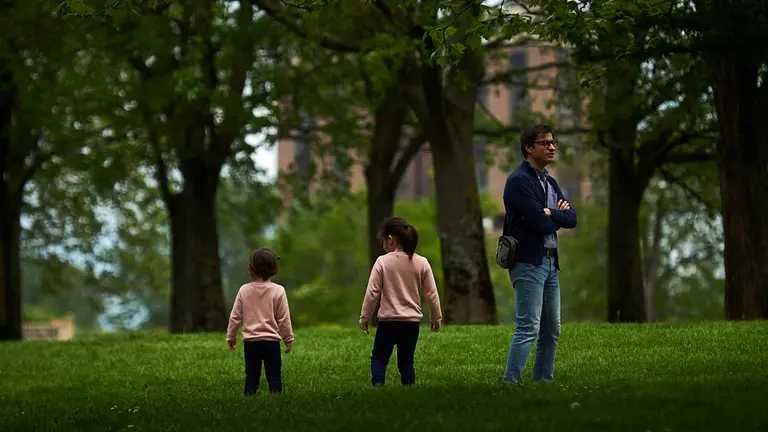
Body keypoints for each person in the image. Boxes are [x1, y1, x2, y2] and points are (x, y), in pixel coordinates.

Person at [501, 124, 577, 384]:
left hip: (550, 262)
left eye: (552, 142)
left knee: (551, 330)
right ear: (529, 148)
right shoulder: (519, 181)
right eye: (545, 143)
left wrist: (551, 213)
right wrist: (554, 216)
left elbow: (572, 218)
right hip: (527, 262)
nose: (552, 147)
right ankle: (510, 383)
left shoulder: (549, 181)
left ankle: (543, 381)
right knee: (528, 327)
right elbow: (538, 223)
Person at [359, 217, 442, 388]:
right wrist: (436, 318)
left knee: (379, 357)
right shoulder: (422, 263)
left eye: (383, 239)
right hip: (411, 324)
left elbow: (372, 292)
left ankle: (378, 384)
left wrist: (365, 317)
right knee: (406, 361)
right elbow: (432, 294)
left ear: (391, 239)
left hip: (388, 322)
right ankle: (409, 388)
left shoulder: (382, 262)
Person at [226, 248, 294, 395]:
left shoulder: (244, 290)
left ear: (251, 268)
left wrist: (231, 336)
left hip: (251, 343)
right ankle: (276, 398)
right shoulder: (279, 291)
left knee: (251, 376)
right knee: (274, 375)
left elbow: (235, 317)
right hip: (271, 343)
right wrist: (288, 339)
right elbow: (284, 318)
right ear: (274, 267)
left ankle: (249, 397)